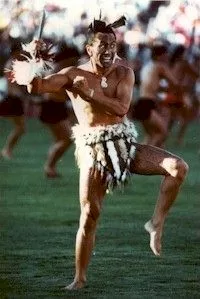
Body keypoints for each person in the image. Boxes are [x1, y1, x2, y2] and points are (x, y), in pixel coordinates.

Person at [11, 16, 188, 290]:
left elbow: (120, 109)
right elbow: (37, 86)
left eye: (112, 44)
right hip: (93, 149)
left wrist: (90, 95)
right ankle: (79, 279)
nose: (108, 50)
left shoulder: (124, 73)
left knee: (178, 167)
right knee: (90, 214)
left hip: (124, 143)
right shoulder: (73, 74)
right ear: (89, 49)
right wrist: (32, 59)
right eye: (102, 45)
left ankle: (156, 222)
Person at [132, 44, 180, 148]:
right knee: (162, 132)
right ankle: (144, 158)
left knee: (151, 135)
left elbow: (151, 86)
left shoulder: (148, 65)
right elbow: (175, 82)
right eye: (166, 55)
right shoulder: (160, 66)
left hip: (141, 102)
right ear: (161, 55)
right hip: (147, 103)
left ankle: (137, 158)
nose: (167, 57)